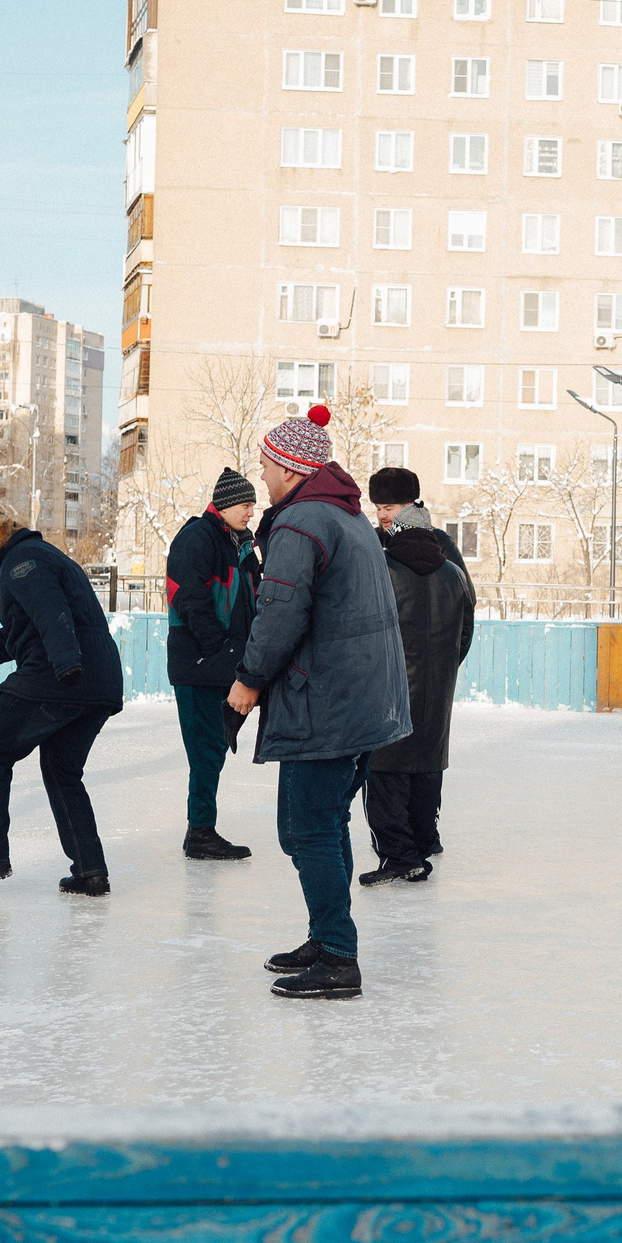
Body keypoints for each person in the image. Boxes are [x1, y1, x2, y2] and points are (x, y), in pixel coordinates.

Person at [226, 405, 409, 1000]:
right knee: (320, 825)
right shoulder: (346, 515)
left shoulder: (302, 522)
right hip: (358, 698)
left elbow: (280, 613)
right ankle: (327, 935)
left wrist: (249, 680)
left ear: (290, 468)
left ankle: (337, 956)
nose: (263, 474)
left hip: (329, 700)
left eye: (267, 464)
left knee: (307, 829)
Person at [0, 510, 125, 894]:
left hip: (61, 678)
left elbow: (50, 612)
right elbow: (22, 632)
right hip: (98, 682)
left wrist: (68, 663)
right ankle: (90, 870)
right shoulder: (38, 556)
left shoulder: (22, 564)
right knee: (61, 770)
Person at [360, 500, 473, 886]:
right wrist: (441, 670)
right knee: (426, 766)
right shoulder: (455, 576)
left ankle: (398, 856)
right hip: (437, 690)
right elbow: (465, 635)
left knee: (384, 771)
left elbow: (367, 630)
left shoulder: (383, 571)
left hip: (388, 689)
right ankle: (423, 842)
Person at [164, 467, 261, 861]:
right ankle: (200, 832)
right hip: (200, 663)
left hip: (225, 664)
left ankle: (200, 829)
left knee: (214, 747)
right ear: (222, 504)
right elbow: (187, 597)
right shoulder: (198, 538)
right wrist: (217, 647)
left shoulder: (241, 546)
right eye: (244, 504)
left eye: (253, 504)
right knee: (206, 749)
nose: (250, 511)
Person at [367, 466, 475, 607]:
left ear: (409, 506)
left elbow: (466, 596)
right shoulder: (373, 541)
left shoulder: (439, 541)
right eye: (378, 508)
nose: (382, 515)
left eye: (388, 509)